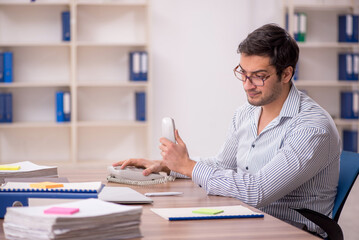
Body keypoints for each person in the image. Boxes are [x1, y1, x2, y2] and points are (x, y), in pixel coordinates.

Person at [114, 23, 341, 237]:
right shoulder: (246, 113)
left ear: (286, 74)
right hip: (250, 217)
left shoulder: (312, 128)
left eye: (259, 77)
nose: (247, 85)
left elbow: (257, 191)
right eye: (243, 73)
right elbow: (223, 165)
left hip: (291, 230)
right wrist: (171, 166)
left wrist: (189, 166)